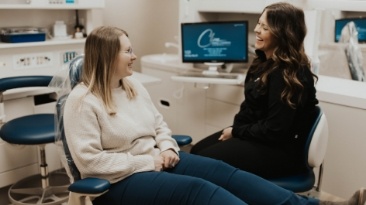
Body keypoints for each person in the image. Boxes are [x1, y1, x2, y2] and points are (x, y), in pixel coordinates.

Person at [62, 25, 365, 205]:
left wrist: (166, 146)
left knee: (225, 172)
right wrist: (150, 160)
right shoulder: (81, 102)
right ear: (106, 57)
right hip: (118, 181)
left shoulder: (131, 85)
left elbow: (158, 124)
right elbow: (91, 163)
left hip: (157, 160)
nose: (135, 56)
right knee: (199, 191)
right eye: (128, 51)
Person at [191, 2, 319, 179]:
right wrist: (236, 130)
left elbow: (274, 130)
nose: (257, 30)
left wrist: (236, 132)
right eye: (259, 23)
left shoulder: (287, 73)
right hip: (257, 136)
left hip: (279, 150)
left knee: (202, 164)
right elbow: (250, 109)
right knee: (196, 151)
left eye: (265, 27)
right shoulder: (262, 62)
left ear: (282, 34)